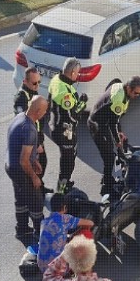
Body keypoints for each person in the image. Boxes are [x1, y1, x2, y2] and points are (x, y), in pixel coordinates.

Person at [87, 77, 140, 196]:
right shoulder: (119, 99)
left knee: (121, 144)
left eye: (139, 93)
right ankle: (106, 187)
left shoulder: (120, 86)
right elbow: (113, 124)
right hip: (96, 125)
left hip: (104, 121)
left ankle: (107, 177)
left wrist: (120, 132)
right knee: (109, 157)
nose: (137, 95)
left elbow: (115, 119)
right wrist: (118, 141)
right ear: (129, 88)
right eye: (135, 93)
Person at [6, 95, 49, 240]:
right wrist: (34, 177)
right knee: (36, 201)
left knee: (21, 198)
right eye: (44, 111)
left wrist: (34, 159)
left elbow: (20, 146)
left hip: (10, 165)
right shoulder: (30, 128)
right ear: (37, 111)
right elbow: (24, 160)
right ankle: (41, 235)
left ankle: (22, 228)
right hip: (19, 169)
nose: (45, 114)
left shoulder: (19, 117)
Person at [49, 57, 89, 194]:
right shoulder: (65, 93)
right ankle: (61, 191)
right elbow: (73, 116)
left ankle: (64, 184)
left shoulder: (56, 80)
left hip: (56, 124)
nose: (78, 76)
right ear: (72, 73)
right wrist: (82, 102)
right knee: (68, 161)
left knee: (69, 156)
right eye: (77, 73)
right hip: (64, 130)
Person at [36, 193, 95, 272]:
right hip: (59, 270)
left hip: (42, 267)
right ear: (64, 207)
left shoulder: (44, 222)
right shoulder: (65, 219)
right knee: (85, 232)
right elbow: (90, 223)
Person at [14, 67, 49, 180]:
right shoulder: (21, 98)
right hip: (31, 141)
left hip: (37, 137)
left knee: (42, 164)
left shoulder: (32, 90)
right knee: (36, 167)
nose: (37, 86)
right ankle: (36, 191)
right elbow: (24, 124)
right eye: (34, 83)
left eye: (39, 82)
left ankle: (40, 188)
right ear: (25, 81)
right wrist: (37, 144)